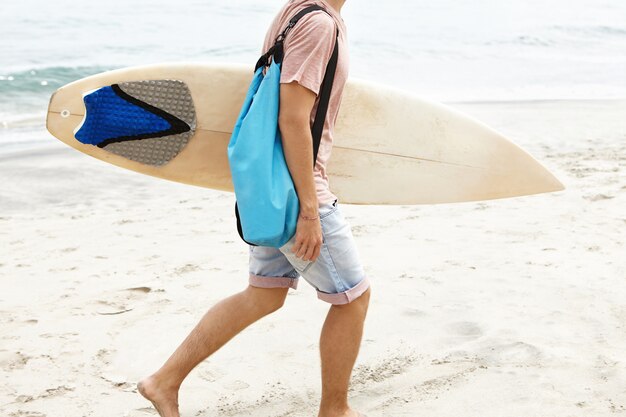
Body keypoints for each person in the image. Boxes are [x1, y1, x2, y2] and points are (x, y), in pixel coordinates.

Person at [137, 1, 371, 416]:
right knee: (352, 298)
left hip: (269, 188)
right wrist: (310, 212)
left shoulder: (297, 11)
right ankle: (335, 410)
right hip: (295, 193)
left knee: (263, 295)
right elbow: (292, 117)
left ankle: (163, 381)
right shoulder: (317, 23)